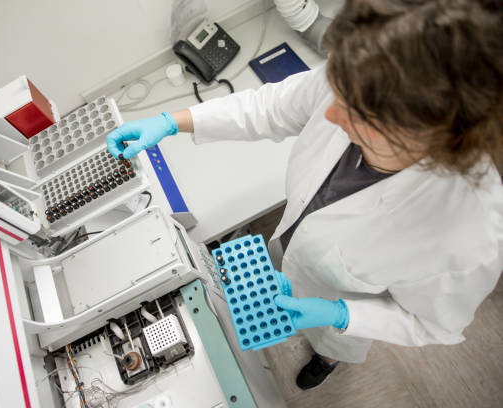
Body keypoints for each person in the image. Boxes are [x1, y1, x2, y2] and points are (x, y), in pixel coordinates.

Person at [108, 0, 503, 390]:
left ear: (428, 134)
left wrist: (339, 314)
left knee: (333, 343)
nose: (330, 114)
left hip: (349, 302)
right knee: (291, 265)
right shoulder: (363, 79)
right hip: (298, 243)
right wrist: (172, 122)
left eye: (357, 112)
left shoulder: (468, 236)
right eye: (337, 86)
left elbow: (428, 323)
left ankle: (326, 361)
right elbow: (274, 106)